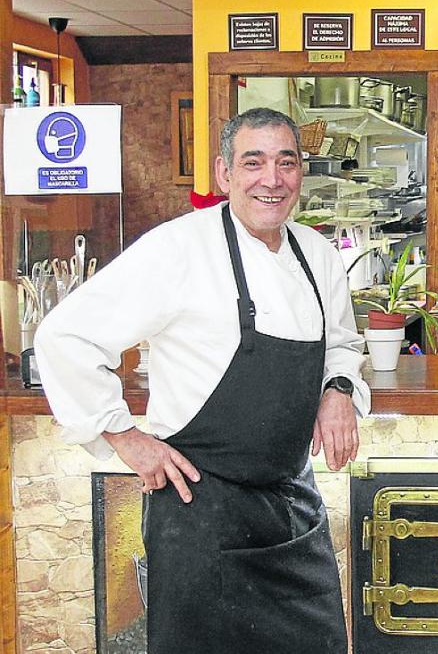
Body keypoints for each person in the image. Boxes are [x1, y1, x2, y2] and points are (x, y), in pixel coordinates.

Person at [35, 107, 370, 653]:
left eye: (286, 163)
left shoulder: (318, 255)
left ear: (300, 174)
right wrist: (125, 438)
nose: (272, 179)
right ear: (223, 174)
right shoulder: (178, 249)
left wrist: (337, 391)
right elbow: (63, 336)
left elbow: (341, 344)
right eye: (253, 162)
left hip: (291, 504)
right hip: (198, 510)